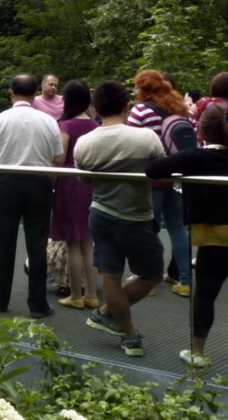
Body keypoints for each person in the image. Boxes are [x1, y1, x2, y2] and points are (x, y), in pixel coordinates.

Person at [75, 81, 165, 358]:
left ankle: (121, 328)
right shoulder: (146, 138)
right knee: (152, 274)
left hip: (100, 213)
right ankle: (116, 324)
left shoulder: (85, 143)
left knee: (111, 277)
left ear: (97, 109)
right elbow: (161, 175)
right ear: (127, 106)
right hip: (136, 217)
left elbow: (83, 179)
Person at [147, 103, 228, 366]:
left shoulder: (196, 157)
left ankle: (197, 352)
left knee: (205, 293)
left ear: (202, 130)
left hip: (214, 240)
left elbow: (153, 170)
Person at [0, 74, 65, 318]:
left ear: (11, 93)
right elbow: (58, 159)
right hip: (39, 183)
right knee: (37, 244)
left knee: (3, 242)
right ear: (35, 93)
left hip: (7, 183)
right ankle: (38, 305)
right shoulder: (48, 121)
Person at [127, 69, 193, 296]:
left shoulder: (140, 111)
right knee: (178, 227)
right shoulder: (181, 109)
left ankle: (148, 278)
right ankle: (186, 280)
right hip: (177, 177)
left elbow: (132, 142)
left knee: (148, 228)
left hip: (151, 176)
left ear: (143, 89)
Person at [49, 80, 100, 309]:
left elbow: (59, 160)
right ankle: (92, 294)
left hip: (69, 184)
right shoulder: (96, 126)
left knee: (72, 243)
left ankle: (76, 295)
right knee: (88, 241)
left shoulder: (66, 126)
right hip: (90, 184)